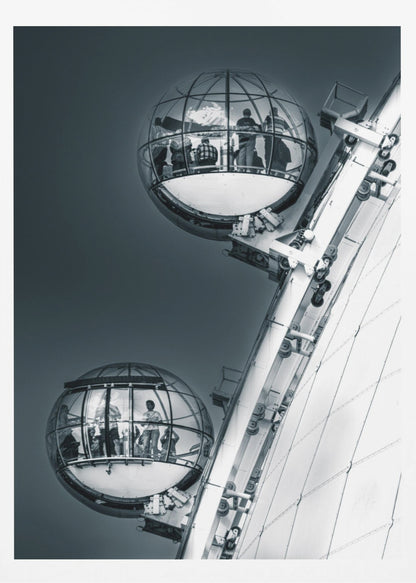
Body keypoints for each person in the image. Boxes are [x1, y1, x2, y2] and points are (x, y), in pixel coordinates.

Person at [263, 107, 291, 173]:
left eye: (270, 112)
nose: (269, 113)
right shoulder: (282, 119)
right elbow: (289, 129)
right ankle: (275, 170)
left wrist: (263, 133)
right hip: (278, 138)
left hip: (270, 137)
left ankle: (269, 170)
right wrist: (293, 137)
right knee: (276, 153)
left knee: (269, 154)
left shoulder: (269, 117)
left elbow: (264, 124)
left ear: (271, 112)